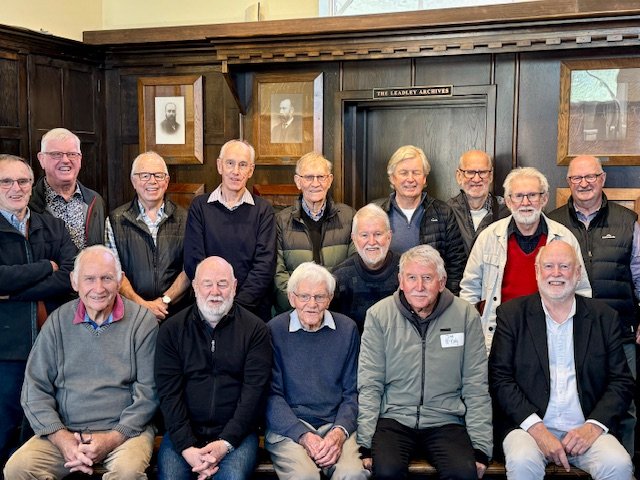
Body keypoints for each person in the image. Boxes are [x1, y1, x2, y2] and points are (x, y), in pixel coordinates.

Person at [4, 245, 158, 479]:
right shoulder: (57, 322)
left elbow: (149, 393)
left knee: (127, 472)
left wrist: (111, 439)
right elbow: (34, 390)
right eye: (89, 279)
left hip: (125, 434)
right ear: (74, 283)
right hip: (66, 433)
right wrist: (62, 438)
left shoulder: (142, 323)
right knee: (18, 468)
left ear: (119, 281)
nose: (98, 288)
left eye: (107, 278)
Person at [489, 240, 634, 480]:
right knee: (522, 461)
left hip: (586, 429)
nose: (556, 274)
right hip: (528, 428)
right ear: (537, 272)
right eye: (548, 266)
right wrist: (537, 429)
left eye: (565, 267)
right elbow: (500, 379)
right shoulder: (512, 315)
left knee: (618, 464)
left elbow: (621, 382)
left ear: (577, 274)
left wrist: (593, 426)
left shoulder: (603, 317)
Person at [358, 245, 492, 480]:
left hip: (446, 419)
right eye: (412, 278)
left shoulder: (465, 316)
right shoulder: (379, 315)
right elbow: (370, 383)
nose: (419, 287)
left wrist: (481, 447)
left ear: (441, 282)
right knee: (386, 472)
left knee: (463, 474)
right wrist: (366, 443)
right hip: (394, 419)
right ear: (401, 281)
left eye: (427, 278)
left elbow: (476, 385)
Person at [548, 155, 640, 456]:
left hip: (620, 330)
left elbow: (639, 272)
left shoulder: (628, 221)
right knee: (574, 402)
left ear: (602, 179)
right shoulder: (554, 222)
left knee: (624, 406)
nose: (584, 183)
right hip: (569, 331)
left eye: (591, 177)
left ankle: (622, 468)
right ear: (569, 182)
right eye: (576, 178)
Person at [155, 256, 271, 480]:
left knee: (232, 478)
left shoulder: (256, 330)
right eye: (207, 284)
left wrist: (225, 443)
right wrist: (187, 447)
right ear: (196, 287)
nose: (215, 291)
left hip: (237, 435)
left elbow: (253, 395)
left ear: (234, 287)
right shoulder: (172, 330)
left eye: (223, 284)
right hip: (183, 433)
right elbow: (169, 395)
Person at [0, 154, 77, 473]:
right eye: (6, 181)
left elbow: (72, 275)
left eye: (23, 181)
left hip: (52, 347)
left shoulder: (52, 226)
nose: (15, 188)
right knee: (5, 427)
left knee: (42, 434)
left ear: (33, 185)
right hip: (7, 350)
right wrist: (45, 267)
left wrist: (12, 294)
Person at [460, 166, 591, 352]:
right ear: (508, 201)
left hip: (552, 337)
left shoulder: (564, 238)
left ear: (544, 199)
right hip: (499, 337)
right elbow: (469, 291)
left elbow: (582, 290)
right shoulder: (488, 238)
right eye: (518, 196)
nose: (525, 202)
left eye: (532, 195)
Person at [266, 262, 368, 480]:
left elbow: (353, 392)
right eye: (304, 297)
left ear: (329, 299)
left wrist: (339, 433)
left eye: (319, 297)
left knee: (353, 473)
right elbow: (271, 395)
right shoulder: (274, 330)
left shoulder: (347, 329)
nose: (311, 304)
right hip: (291, 428)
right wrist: (304, 436)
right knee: (304, 476)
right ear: (292, 298)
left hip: (335, 424)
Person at [183, 139, 276, 320]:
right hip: (208, 308)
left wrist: (236, 308)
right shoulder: (200, 207)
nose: (236, 171)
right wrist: (216, 300)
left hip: (252, 311)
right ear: (219, 166)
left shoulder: (264, 210)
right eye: (230, 163)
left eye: (242, 165)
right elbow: (193, 261)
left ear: (251, 170)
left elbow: (264, 266)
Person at [105, 151, 190, 321]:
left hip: (176, 315)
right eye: (144, 175)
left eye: (158, 175)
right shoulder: (115, 220)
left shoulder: (186, 219)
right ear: (133, 181)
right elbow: (114, 272)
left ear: (166, 181)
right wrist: (143, 305)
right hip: (131, 316)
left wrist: (164, 301)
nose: (152, 181)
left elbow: (189, 269)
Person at [373, 145, 465, 294]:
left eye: (416, 173)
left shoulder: (444, 213)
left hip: (432, 302)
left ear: (424, 178)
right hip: (386, 300)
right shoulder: (377, 213)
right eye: (403, 173)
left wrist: (447, 302)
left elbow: (456, 264)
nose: (410, 179)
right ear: (392, 178)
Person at [274, 152, 355, 313]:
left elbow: (353, 268)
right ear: (298, 181)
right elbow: (277, 272)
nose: (315, 183)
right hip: (294, 312)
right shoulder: (281, 221)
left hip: (338, 310)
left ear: (330, 180)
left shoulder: (350, 217)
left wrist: (326, 301)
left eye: (321, 177)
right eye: (309, 177)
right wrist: (302, 304)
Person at [30, 127, 106, 249]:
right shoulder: (28, 203)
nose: (65, 160)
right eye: (56, 154)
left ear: (80, 159)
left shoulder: (95, 200)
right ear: (41, 159)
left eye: (72, 154)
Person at [331, 203, 400, 333]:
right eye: (364, 235)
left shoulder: (405, 271)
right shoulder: (339, 276)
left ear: (389, 236)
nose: (372, 242)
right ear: (354, 238)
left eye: (378, 234)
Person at [447, 149, 510, 255]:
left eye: (483, 172)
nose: (476, 179)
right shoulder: (445, 212)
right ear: (459, 176)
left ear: (490, 176)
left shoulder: (508, 211)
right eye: (470, 172)